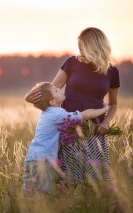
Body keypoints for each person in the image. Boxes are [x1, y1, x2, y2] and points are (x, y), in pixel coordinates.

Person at [25, 27, 120, 185]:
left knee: (97, 181)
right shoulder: (72, 63)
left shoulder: (112, 71)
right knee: (68, 181)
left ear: (94, 46)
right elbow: (51, 89)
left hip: (95, 131)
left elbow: (113, 104)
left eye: (82, 46)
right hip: (68, 130)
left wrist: (106, 122)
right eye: (79, 46)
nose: (79, 50)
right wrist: (31, 97)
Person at [23, 82, 108, 193]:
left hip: (32, 158)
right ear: (52, 102)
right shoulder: (57, 113)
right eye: (56, 91)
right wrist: (104, 109)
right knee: (45, 194)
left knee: (29, 193)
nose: (59, 88)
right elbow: (85, 115)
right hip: (43, 161)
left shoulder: (47, 113)